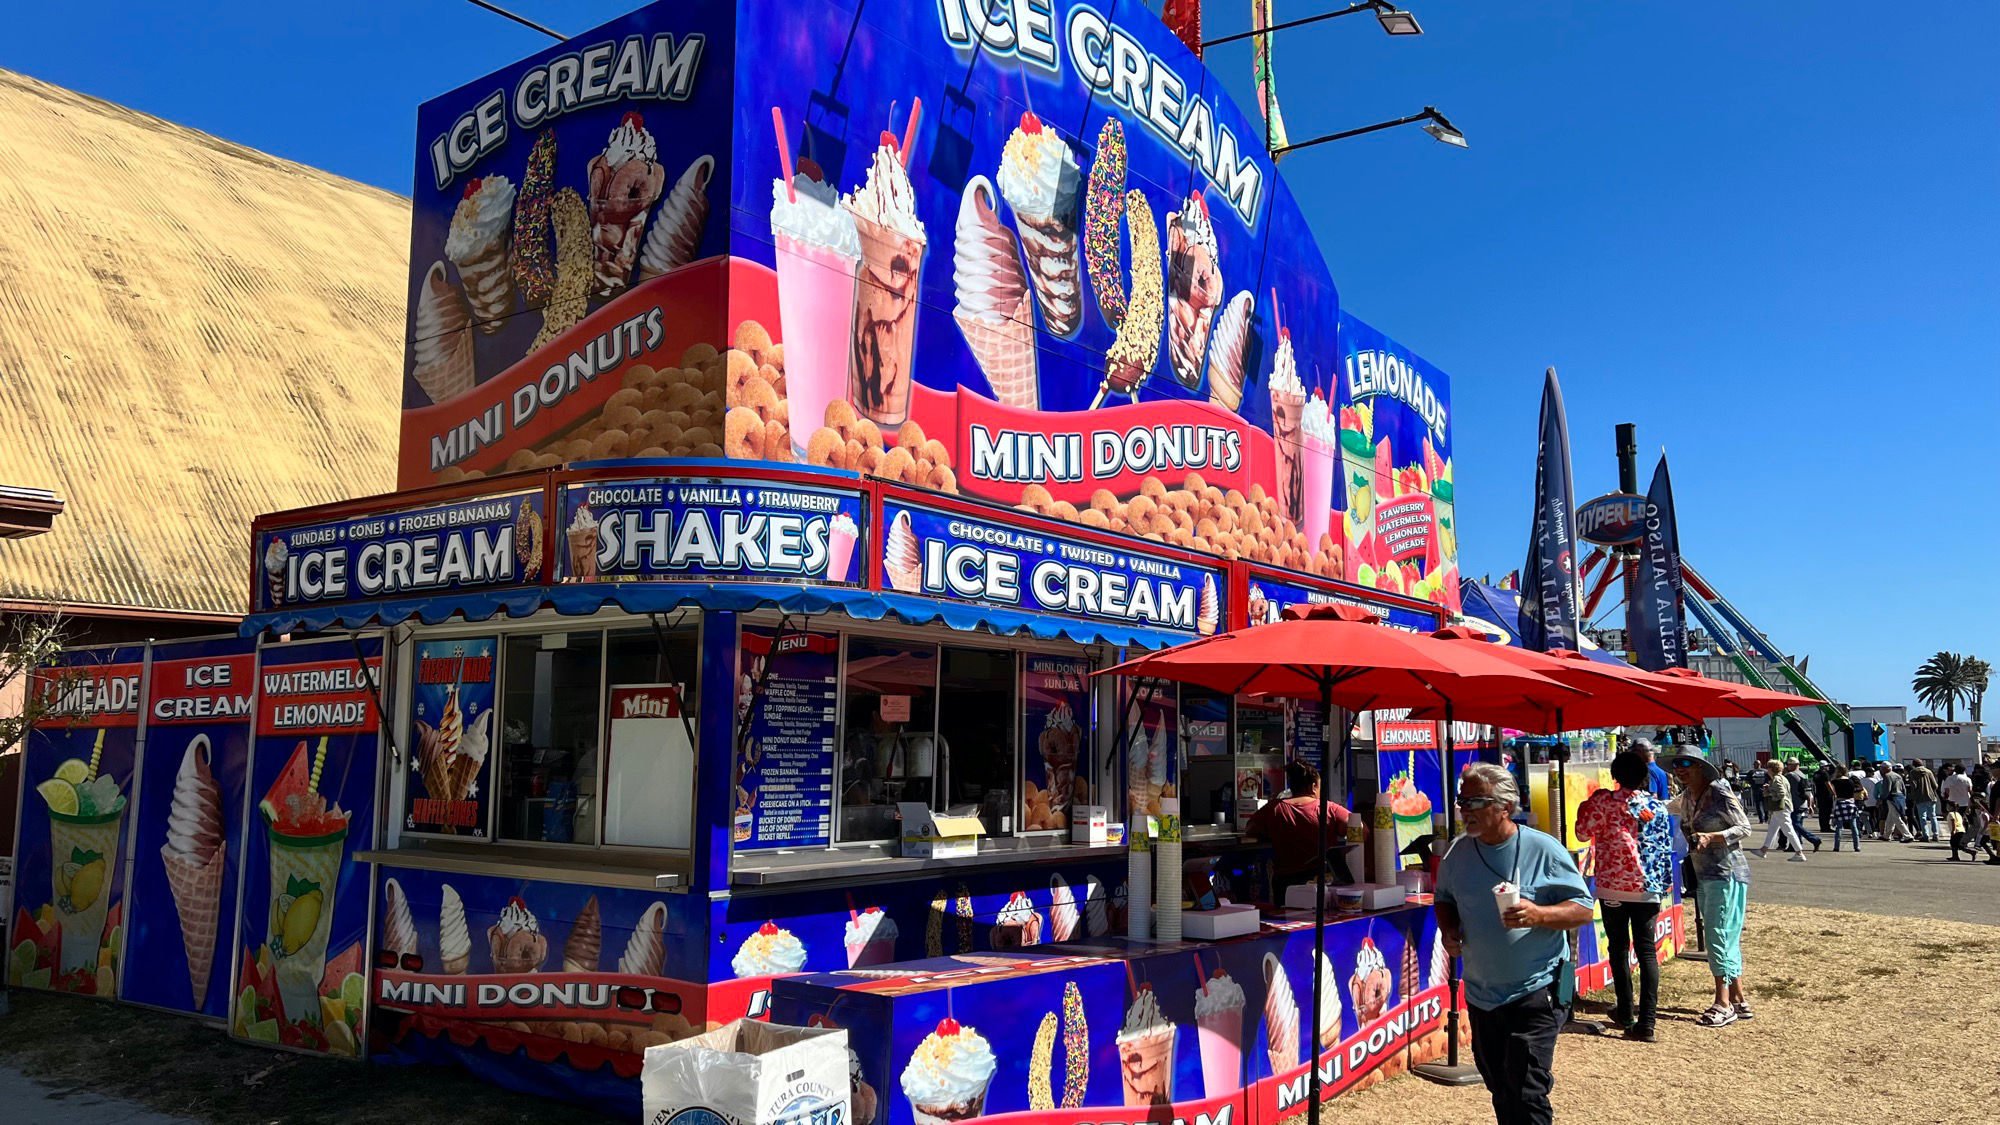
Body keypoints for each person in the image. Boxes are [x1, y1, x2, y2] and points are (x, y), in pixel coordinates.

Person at [1435, 763, 1594, 1125]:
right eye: (1462, 801)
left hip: (1536, 990)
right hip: (1482, 994)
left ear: (1506, 807)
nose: (1465, 809)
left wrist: (1538, 914)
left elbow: (1583, 910)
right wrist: (1448, 929)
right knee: (1500, 1087)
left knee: (1527, 1090)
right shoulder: (1458, 852)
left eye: (1475, 801)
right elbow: (1443, 896)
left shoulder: (1543, 849)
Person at [1574, 751, 1673, 1041]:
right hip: (1649, 888)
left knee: (1618, 948)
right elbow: (1665, 847)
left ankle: (1627, 1013)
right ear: (1645, 775)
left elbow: (1582, 832)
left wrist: (1588, 804)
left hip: (1614, 885)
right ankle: (1648, 1023)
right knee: (1646, 951)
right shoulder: (1657, 806)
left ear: (1614, 775)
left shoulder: (1603, 802)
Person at [1666, 752, 1753, 1027]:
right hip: (1703, 874)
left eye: (1686, 764)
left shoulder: (1719, 791)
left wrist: (1714, 837)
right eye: (1677, 765)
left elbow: (1744, 828)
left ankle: (1723, 1002)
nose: (1680, 769)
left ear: (1702, 767)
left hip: (1726, 872)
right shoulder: (1687, 796)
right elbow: (1662, 808)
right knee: (1725, 934)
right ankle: (1739, 998)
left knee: (1718, 935)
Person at [1243, 760, 1351, 901]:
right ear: (1313, 786)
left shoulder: (1273, 809)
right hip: (1321, 880)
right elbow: (1361, 829)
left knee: (1286, 920)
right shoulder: (1328, 808)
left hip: (1286, 883)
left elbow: (1250, 830)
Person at [1753, 766, 1807, 860]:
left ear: (1772, 769)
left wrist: (1769, 793)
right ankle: (1763, 850)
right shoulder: (1783, 777)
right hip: (1783, 807)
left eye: (1768, 768)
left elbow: (1781, 793)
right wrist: (1770, 788)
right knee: (1773, 829)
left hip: (1780, 807)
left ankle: (1799, 853)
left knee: (1788, 830)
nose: (1767, 770)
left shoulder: (1776, 778)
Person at [1784, 760, 1821, 852]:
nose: (1787, 766)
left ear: (1793, 765)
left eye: (1788, 764)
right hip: (1803, 802)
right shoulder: (1803, 775)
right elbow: (1809, 792)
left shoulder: (1790, 775)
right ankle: (1796, 844)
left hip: (1794, 803)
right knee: (1798, 824)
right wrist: (1810, 804)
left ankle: (1814, 839)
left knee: (1794, 825)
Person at [1906, 759, 1941, 843]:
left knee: (1922, 817)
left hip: (1919, 797)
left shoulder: (1913, 772)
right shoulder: (1928, 771)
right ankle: (1936, 834)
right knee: (1933, 816)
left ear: (1914, 765)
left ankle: (1926, 835)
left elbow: (1913, 785)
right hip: (1931, 797)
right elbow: (1935, 785)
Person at [1877, 762, 1911, 843]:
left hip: (1892, 797)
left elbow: (1887, 790)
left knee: (1896, 817)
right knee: (1891, 817)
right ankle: (1887, 835)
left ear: (1885, 768)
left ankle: (1908, 835)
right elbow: (1903, 788)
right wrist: (1904, 798)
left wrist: (1882, 799)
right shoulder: (1898, 776)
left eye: (1881, 768)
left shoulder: (1887, 776)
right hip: (1900, 797)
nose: (1880, 770)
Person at [1830, 776, 1864, 852]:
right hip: (1850, 803)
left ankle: (1836, 847)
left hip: (1840, 804)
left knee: (1839, 827)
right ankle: (1857, 846)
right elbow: (1860, 789)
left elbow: (1830, 783)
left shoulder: (1836, 782)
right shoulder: (1851, 781)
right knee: (1854, 826)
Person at [1814, 764, 1836, 835]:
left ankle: (1822, 827)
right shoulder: (1825, 773)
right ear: (1824, 767)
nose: (1828, 767)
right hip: (1826, 795)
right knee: (1827, 811)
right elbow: (1828, 783)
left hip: (1819, 794)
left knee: (1821, 812)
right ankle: (1826, 827)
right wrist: (1833, 793)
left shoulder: (1816, 774)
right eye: (1827, 766)